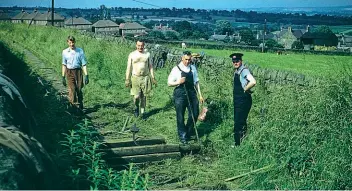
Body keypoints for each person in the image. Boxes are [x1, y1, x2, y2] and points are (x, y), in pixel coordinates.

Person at [168, 51, 204, 144]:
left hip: (192, 93)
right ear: (182, 58)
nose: (188, 61)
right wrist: (179, 82)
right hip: (180, 93)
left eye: (189, 59)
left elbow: (196, 82)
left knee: (195, 113)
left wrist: (200, 95)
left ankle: (188, 131)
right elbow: (169, 83)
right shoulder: (176, 69)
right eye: (186, 59)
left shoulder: (193, 68)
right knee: (180, 115)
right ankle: (182, 135)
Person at [125, 40, 157, 118]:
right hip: (135, 77)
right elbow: (129, 67)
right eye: (138, 45)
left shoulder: (147, 54)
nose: (140, 47)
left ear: (144, 45)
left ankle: (142, 113)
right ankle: (136, 108)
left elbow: (150, 66)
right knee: (136, 96)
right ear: (136, 45)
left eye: (142, 45)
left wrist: (153, 77)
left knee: (143, 96)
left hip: (145, 77)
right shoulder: (132, 54)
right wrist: (127, 79)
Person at [230, 53, 256, 147]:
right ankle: (242, 142)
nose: (235, 63)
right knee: (240, 120)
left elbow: (253, 82)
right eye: (234, 61)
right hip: (238, 100)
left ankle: (237, 144)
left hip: (243, 100)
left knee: (238, 121)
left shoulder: (244, 71)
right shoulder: (237, 71)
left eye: (237, 61)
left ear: (241, 61)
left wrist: (245, 89)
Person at [62, 35, 89, 113]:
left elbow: (83, 64)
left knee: (79, 89)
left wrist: (86, 75)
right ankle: (73, 107)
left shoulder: (80, 51)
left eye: (73, 42)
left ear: (75, 42)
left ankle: (80, 104)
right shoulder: (65, 52)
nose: (72, 44)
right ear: (67, 43)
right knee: (72, 89)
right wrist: (63, 76)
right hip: (69, 71)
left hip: (78, 72)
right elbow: (64, 64)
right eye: (70, 43)